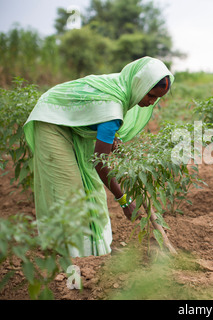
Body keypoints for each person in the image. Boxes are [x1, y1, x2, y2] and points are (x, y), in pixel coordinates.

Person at [23, 56, 174, 257]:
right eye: (150, 95)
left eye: (157, 99)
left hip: (74, 123)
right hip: (53, 121)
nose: (151, 102)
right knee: (70, 188)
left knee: (92, 188)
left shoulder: (123, 86)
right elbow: (100, 161)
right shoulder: (112, 106)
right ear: (139, 85)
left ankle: (94, 252)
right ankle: (68, 255)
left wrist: (126, 156)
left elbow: (106, 129)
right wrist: (123, 199)